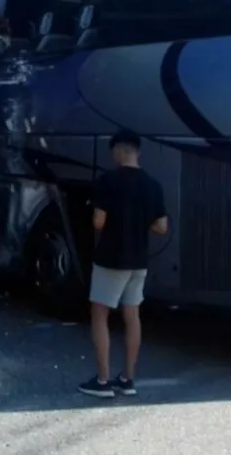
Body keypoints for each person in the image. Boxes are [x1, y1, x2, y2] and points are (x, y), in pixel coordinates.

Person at [77, 129, 169, 398]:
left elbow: (98, 222)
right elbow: (162, 227)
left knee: (100, 314)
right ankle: (128, 379)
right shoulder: (153, 185)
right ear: (138, 152)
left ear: (117, 151)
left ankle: (103, 381)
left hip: (111, 259)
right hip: (138, 260)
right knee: (132, 317)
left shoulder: (108, 181)